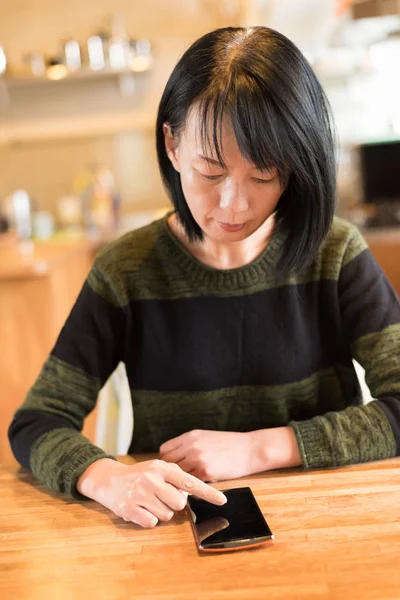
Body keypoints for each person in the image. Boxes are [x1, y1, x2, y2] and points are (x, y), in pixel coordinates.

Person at [8, 26, 400, 529]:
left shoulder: (337, 254)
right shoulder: (127, 271)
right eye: (211, 172)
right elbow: (37, 421)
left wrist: (258, 448)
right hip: (172, 534)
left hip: (326, 522)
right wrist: (105, 475)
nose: (233, 205)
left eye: (263, 176)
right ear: (172, 146)